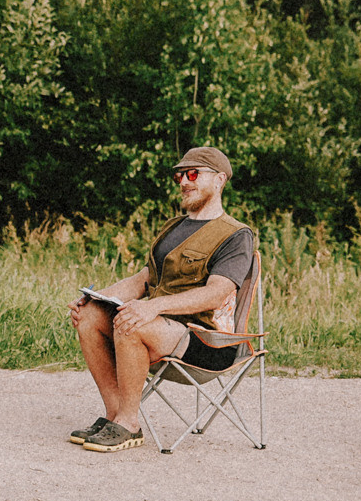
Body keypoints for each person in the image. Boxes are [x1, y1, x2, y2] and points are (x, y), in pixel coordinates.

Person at [65, 146, 256, 453]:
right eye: (180, 175)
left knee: (131, 321)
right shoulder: (174, 227)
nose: (183, 181)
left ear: (219, 180)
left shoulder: (235, 234)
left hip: (207, 342)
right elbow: (142, 280)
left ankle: (129, 425)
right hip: (160, 328)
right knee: (89, 316)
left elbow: (216, 292)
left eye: (193, 174)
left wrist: (152, 306)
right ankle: (115, 415)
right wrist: (93, 298)